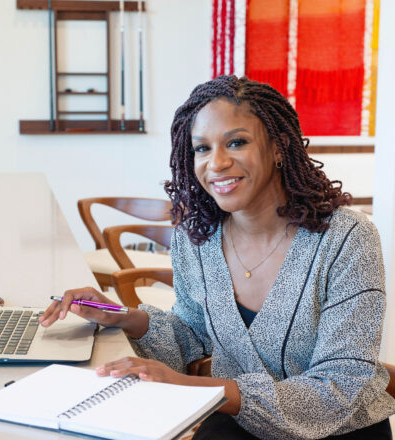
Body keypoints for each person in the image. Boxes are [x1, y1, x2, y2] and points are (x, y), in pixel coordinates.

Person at [39, 76, 395, 439]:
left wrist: (192, 388)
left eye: (236, 142)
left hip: (339, 430)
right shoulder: (197, 237)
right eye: (202, 148)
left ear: (278, 147)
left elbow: (341, 386)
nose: (217, 163)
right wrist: (120, 316)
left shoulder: (347, 238)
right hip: (241, 420)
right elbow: (190, 333)